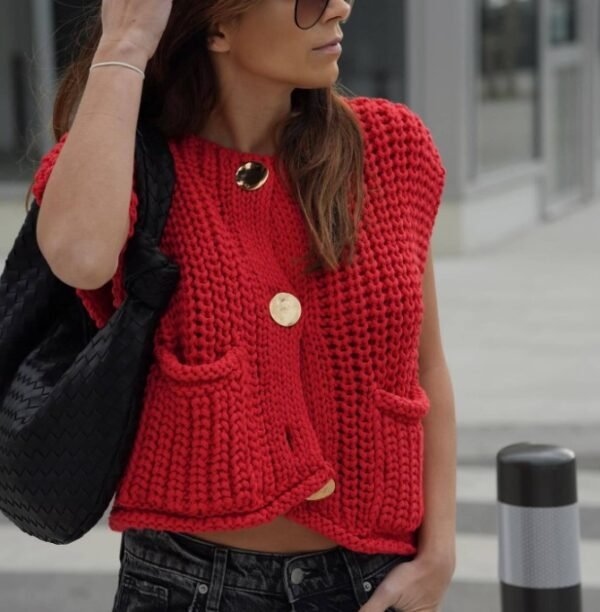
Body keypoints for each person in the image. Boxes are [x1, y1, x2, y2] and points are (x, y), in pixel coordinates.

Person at [29, 0, 457, 610]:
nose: (339, 7)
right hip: (189, 584)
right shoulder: (138, 165)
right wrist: (123, 46)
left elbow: (426, 369)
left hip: (373, 580)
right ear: (220, 25)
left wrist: (438, 554)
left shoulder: (388, 148)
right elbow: (77, 254)